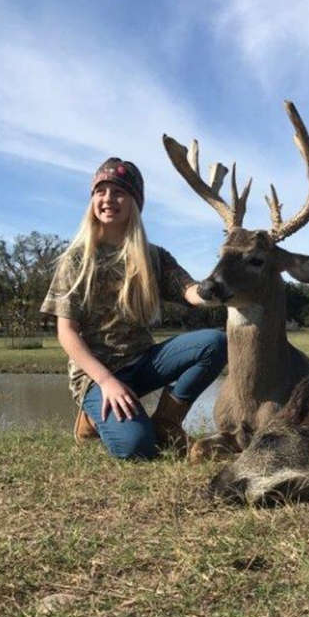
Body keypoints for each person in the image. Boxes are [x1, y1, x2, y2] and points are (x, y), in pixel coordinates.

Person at [40, 157, 227, 460]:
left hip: (143, 361)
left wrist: (217, 287)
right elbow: (67, 333)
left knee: (215, 343)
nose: (108, 199)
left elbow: (189, 290)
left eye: (119, 192)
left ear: (135, 203)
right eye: (101, 191)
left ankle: (166, 422)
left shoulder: (154, 257)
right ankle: (90, 419)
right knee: (137, 448)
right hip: (96, 375)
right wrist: (106, 381)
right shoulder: (75, 260)